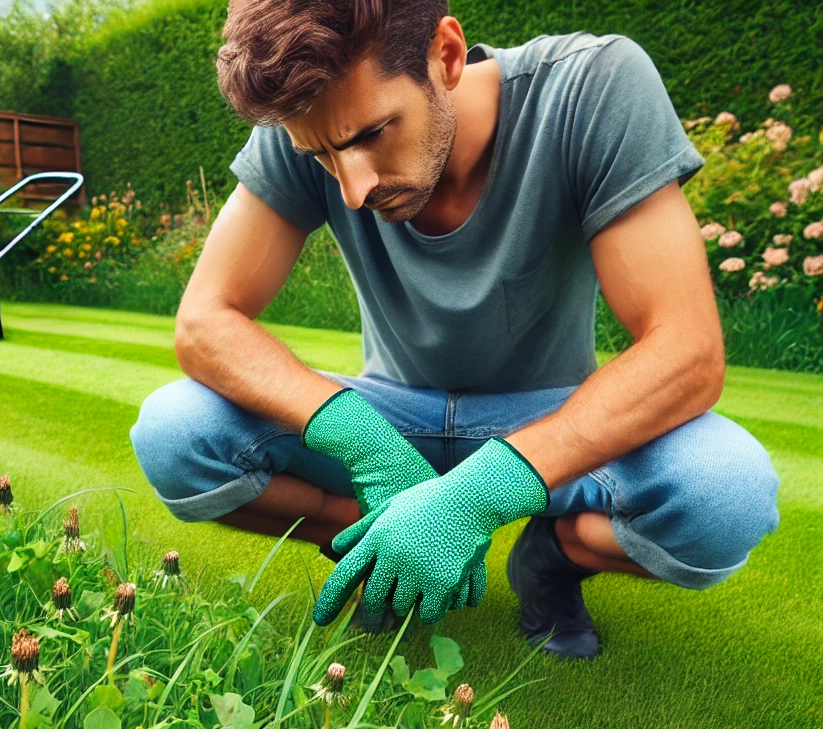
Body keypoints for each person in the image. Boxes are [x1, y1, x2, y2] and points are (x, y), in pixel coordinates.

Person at [130, 0, 780, 659]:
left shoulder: (593, 85)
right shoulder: (311, 116)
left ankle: (550, 560)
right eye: (323, 157)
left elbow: (688, 351)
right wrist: (362, 444)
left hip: (547, 416)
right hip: (393, 418)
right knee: (174, 432)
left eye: (371, 135)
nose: (352, 188)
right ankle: (385, 542)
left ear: (445, 57)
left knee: (727, 496)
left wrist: (480, 495)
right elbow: (204, 323)